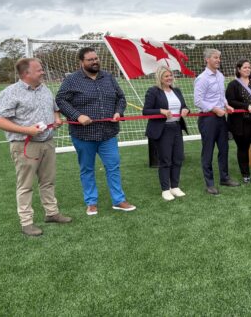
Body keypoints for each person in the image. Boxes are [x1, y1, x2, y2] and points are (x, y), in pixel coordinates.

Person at [0, 58, 72, 236]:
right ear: (26, 74)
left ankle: (51, 213)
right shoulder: (10, 93)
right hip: (24, 145)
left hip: (47, 143)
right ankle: (26, 222)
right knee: (25, 185)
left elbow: (54, 108)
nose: (43, 72)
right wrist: (26, 130)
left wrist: (57, 118)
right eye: (39, 70)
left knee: (48, 181)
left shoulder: (44, 89)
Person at [56, 47, 136, 215]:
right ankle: (91, 202)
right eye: (90, 59)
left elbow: (121, 98)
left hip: (108, 133)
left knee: (113, 167)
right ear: (81, 62)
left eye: (96, 58)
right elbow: (61, 100)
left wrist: (118, 112)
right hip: (83, 135)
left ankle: (119, 200)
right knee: (87, 169)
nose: (94, 61)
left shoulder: (108, 77)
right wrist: (77, 116)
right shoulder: (72, 80)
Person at [194, 48, 240, 195]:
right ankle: (210, 184)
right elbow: (198, 101)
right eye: (215, 57)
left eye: (219, 57)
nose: (218, 60)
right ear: (207, 60)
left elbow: (221, 96)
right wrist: (214, 109)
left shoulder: (220, 76)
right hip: (208, 119)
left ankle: (224, 178)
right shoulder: (202, 79)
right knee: (208, 151)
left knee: (224, 149)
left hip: (221, 118)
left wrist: (226, 105)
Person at [143, 67, 190, 201]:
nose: (169, 78)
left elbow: (184, 106)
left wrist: (186, 109)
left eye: (170, 75)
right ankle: (165, 189)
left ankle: (175, 186)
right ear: (159, 78)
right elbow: (146, 111)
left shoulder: (177, 90)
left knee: (178, 158)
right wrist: (161, 111)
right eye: (166, 76)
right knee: (165, 160)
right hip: (162, 129)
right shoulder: (153, 91)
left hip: (176, 128)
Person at [226, 59, 251, 184]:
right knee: (243, 149)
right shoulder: (233, 84)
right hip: (241, 123)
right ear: (238, 69)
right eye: (245, 67)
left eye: (249, 67)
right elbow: (230, 100)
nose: (248, 69)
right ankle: (246, 175)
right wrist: (245, 106)